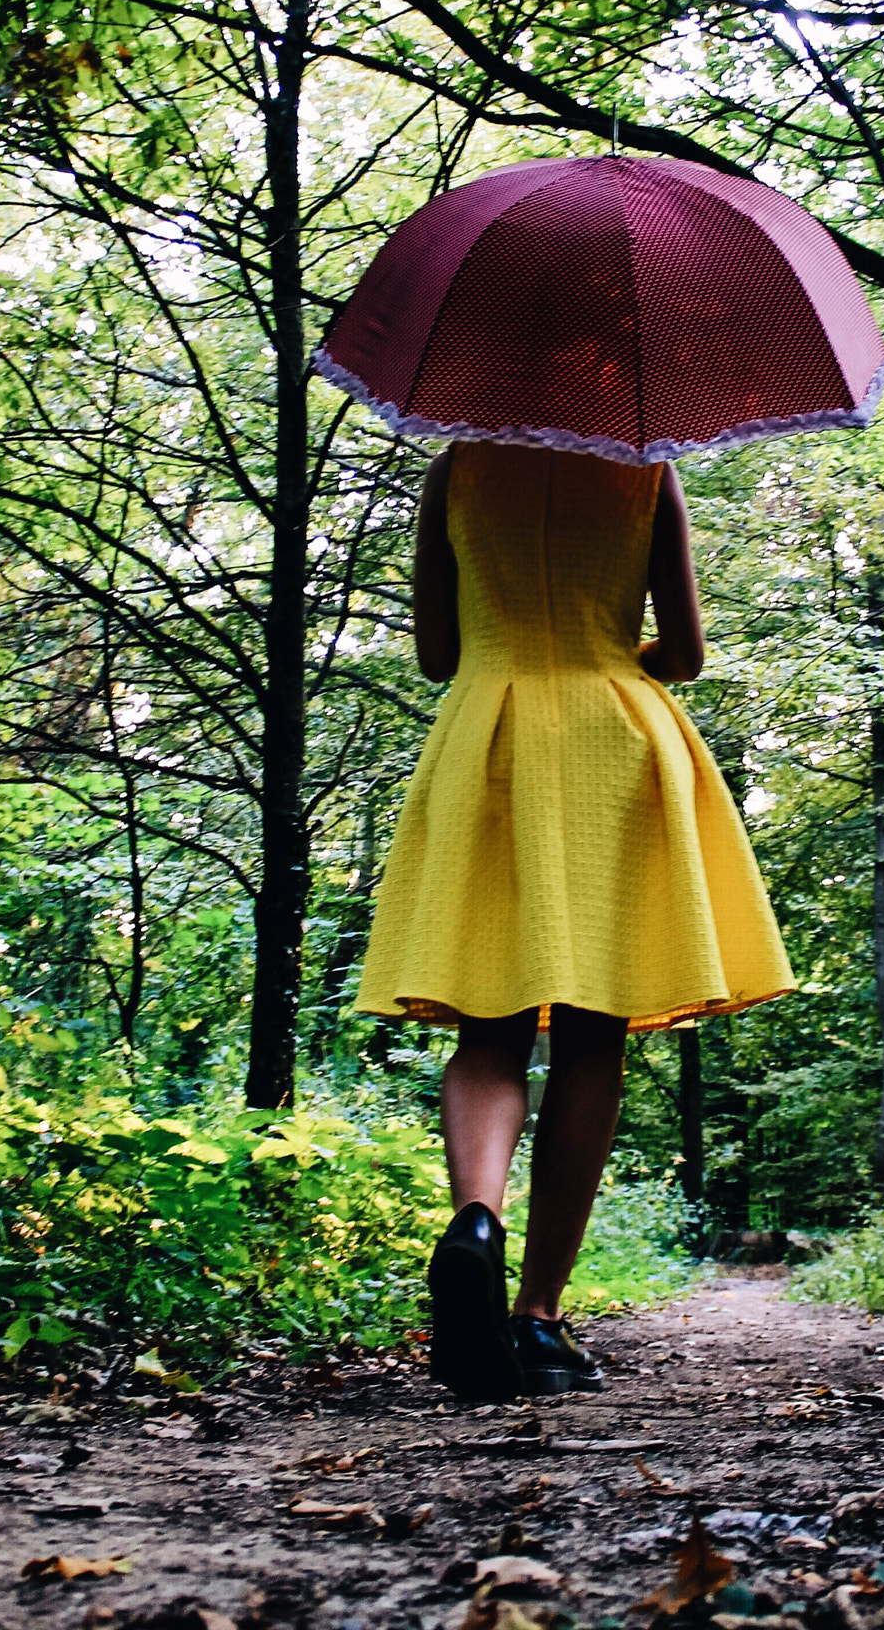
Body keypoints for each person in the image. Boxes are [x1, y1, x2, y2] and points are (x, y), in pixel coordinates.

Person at [355, 441, 794, 1401]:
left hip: (492, 736)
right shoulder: (646, 471)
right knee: (593, 1034)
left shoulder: (456, 470)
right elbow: (683, 654)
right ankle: (539, 1318)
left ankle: (475, 1221)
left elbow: (439, 655)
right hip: (614, 741)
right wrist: (605, 655)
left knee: (489, 1024)